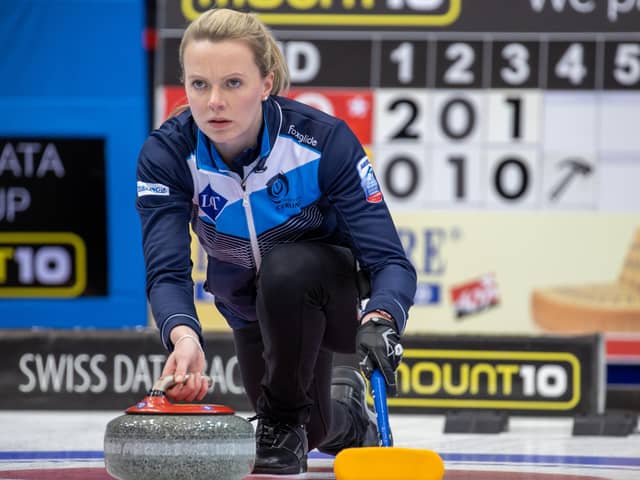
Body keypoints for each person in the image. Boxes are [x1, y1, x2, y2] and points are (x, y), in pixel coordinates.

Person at [135, 8, 416, 475]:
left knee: (288, 276)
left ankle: (295, 408)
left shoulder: (323, 140)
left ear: (266, 84)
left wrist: (383, 315)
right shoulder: (167, 154)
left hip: (329, 298)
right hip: (248, 303)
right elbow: (167, 270)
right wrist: (183, 337)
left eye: (233, 83)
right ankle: (349, 418)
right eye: (199, 85)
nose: (214, 103)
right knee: (316, 430)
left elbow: (390, 260)